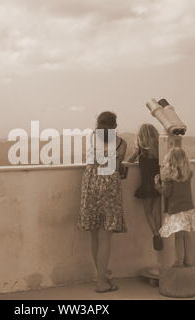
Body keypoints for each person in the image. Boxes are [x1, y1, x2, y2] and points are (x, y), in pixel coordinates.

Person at [78, 111, 127, 293]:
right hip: (109, 187)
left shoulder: (91, 138)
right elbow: (118, 163)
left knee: (94, 235)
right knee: (105, 236)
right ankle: (101, 283)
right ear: (115, 125)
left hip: (90, 184)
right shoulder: (122, 143)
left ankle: (101, 276)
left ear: (98, 123)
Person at [155, 147, 195, 267]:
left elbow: (167, 193)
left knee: (178, 238)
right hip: (188, 209)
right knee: (186, 236)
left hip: (177, 211)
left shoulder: (169, 178)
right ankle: (189, 262)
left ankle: (179, 262)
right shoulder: (189, 174)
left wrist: (157, 185)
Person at [128, 124, 163, 251]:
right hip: (159, 184)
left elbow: (129, 161)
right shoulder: (160, 149)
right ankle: (161, 233)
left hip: (146, 185)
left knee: (148, 212)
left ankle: (155, 234)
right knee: (157, 211)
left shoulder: (141, 150)